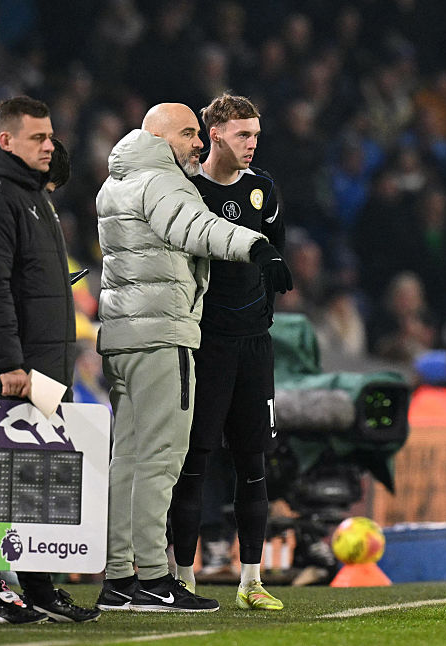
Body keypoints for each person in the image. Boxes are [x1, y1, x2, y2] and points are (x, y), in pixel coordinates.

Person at [94, 102, 291, 613]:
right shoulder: (165, 183)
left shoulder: (114, 183)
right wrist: (257, 248)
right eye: (189, 134)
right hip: (168, 336)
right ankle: (161, 579)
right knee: (167, 461)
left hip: (125, 333)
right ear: (160, 138)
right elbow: (197, 229)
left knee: (130, 460)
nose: (196, 144)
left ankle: (120, 578)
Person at [0, 96, 99, 625]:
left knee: (33, 482)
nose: (49, 145)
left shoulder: (29, 195)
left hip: (39, 367)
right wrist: (11, 363)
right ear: (5, 140)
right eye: (38, 137)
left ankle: (38, 590)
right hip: (10, 371)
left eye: (51, 136)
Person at [167, 94, 284, 610]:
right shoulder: (186, 190)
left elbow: (273, 252)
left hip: (254, 345)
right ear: (214, 135)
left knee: (253, 462)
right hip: (205, 344)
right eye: (243, 134)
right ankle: (182, 579)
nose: (252, 144)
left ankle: (251, 581)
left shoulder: (264, 190)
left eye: (256, 134)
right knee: (193, 464)